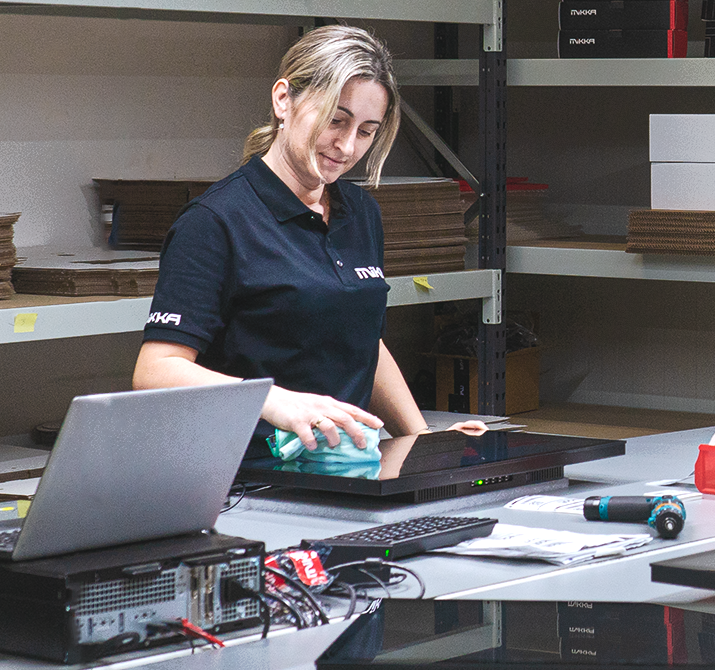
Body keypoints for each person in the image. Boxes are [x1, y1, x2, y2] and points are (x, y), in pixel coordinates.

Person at [133, 25, 473, 453]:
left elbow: (363, 341)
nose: (347, 147)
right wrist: (274, 400)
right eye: (336, 120)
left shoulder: (361, 213)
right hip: (245, 476)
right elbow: (156, 371)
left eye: (366, 131)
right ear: (283, 100)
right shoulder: (214, 222)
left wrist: (421, 442)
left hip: (345, 469)